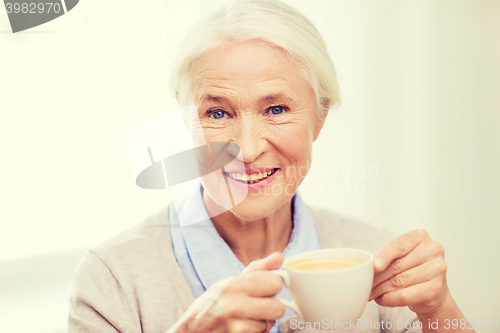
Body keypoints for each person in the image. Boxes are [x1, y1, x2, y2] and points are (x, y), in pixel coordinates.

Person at [68, 1, 475, 332]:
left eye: (276, 108)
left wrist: (439, 309)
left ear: (319, 118)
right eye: (217, 114)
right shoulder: (112, 281)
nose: (246, 149)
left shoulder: (371, 257)